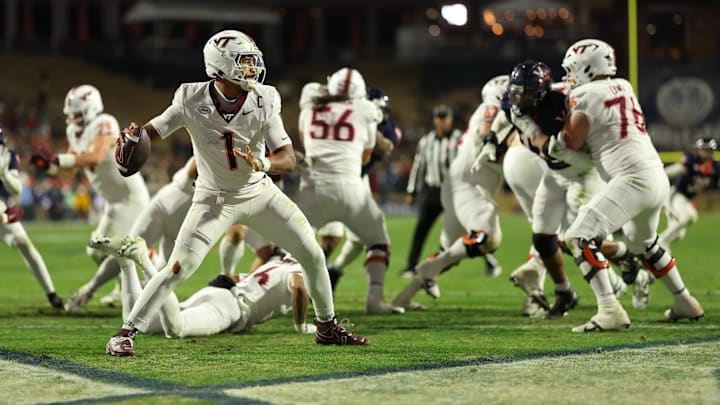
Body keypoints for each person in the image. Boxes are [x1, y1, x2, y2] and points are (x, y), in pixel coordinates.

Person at [105, 30, 368, 356]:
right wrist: (134, 137)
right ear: (220, 66)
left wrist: (263, 163)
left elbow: (288, 156)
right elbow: (155, 130)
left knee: (312, 255)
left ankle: (326, 327)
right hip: (213, 199)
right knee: (178, 268)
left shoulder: (264, 97)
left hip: (259, 193)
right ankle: (126, 332)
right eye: (244, 62)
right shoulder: (191, 97)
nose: (252, 68)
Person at [541, 38, 703, 331]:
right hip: (656, 175)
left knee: (578, 236)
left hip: (631, 178)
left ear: (587, 68)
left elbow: (571, 140)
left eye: (573, 70)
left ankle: (610, 309)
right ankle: (684, 301)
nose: (569, 76)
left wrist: (552, 140)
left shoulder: (586, 94)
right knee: (645, 244)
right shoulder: (624, 86)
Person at [30, 85, 150, 313]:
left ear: (90, 108)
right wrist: (50, 167)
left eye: (77, 113)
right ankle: (124, 287)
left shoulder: (105, 122)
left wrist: (58, 159)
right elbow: (71, 169)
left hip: (130, 197)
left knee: (121, 250)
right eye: (71, 114)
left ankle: (98, 290)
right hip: (113, 201)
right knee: (96, 251)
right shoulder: (72, 132)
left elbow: (94, 155)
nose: (73, 118)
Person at [296, 67, 401, 315]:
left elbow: (305, 141)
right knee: (377, 241)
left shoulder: (309, 108)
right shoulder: (366, 110)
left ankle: (281, 299)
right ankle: (374, 300)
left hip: (312, 188)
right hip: (352, 187)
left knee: (295, 249)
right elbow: (366, 156)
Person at [90, 237, 318, 337]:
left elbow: (238, 277)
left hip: (220, 291)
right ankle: (144, 262)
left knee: (146, 325)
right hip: (231, 307)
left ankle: (125, 263)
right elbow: (299, 287)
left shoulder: (279, 262)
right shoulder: (301, 270)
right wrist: (300, 325)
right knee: (176, 329)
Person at [326, 87, 402, 290]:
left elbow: (386, 146)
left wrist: (369, 125)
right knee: (330, 236)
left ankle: (334, 271)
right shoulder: (348, 122)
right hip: (331, 179)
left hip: (358, 180)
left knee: (366, 236)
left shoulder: (387, 129)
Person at [0, 127, 64, 309]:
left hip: (2, 207)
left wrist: (4, 174)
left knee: (24, 244)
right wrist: (5, 218)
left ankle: (51, 293)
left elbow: (16, 188)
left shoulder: (8, 156)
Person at [402, 105, 462, 277]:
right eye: (439, 118)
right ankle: (410, 266)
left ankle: (489, 261)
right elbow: (418, 167)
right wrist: (412, 191)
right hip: (433, 190)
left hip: (454, 191)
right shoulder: (426, 141)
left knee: (466, 228)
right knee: (421, 229)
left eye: (445, 118)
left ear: (450, 119)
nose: (442, 121)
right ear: (434, 120)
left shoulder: (460, 139)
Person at [659, 137, 720, 250]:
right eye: (703, 150)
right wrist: (658, 175)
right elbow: (674, 170)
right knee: (683, 219)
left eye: (707, 150)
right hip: (676, 195)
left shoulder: (715, 168)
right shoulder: (691, 161)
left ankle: (661, 242)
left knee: (681, 232)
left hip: (688, 199)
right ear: (698, 150)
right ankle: (661, 241)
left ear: (712, 152)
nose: (705, 153)